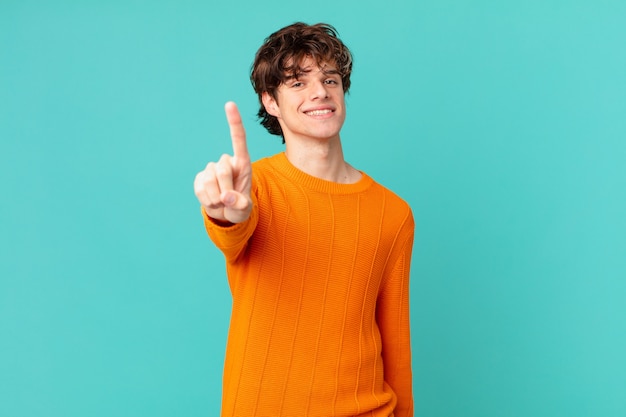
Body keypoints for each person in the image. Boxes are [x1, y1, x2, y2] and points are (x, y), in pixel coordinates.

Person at [194, 22, 415, 417]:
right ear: (270, 102)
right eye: (298, 83)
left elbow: (396, 344)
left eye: (330, 79)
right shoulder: (253, 188)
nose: (320, 92)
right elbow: (231, 233)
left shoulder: (392, 212)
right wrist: (226, 215)